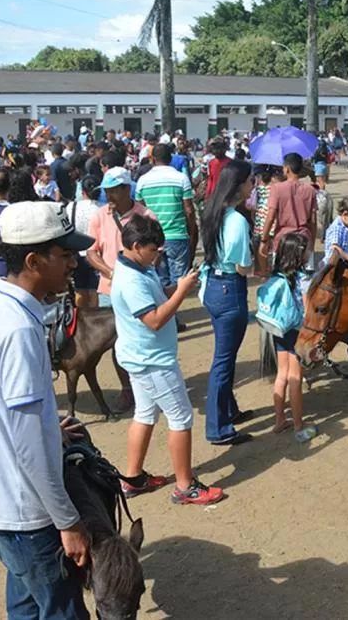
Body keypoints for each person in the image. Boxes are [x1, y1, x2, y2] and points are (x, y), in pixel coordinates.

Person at [0, 201, 93, 619]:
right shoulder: (19, 329)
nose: (73, 263)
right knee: (62, 612)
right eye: (65, 254)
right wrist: (68, 521)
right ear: (34, 261)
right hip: (27, 511)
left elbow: (12, 414)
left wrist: (51, 429)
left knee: (26, 607)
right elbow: (30, 445)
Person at [109, 215, 223, 504]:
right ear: (136, 246)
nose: (158, 253)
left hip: (140, 356)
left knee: (145, 414)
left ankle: (132, 479)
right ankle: (185, 486)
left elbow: (158, 298)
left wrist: (182, 284)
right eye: (153, 249)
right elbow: (155, 320)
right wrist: (183, 292)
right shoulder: (131, 279)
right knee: (181, 417)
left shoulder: (138, 267)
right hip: (152, 360)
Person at [87, 167, 155, 409]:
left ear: (127, 189)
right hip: (108, 289)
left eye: (113, 190)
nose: (108, 196)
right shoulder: (98, 216)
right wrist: (110, 272)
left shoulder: (145, 216)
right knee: (118, 342)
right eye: (105, 191)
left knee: (142, 336)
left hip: (139, 288)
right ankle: (127, 387)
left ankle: (145, 384)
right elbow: (91, 251)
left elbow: (155, 253)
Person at [200, 161, 256, 446]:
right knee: (223, 361)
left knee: (227, 355)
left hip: (212, 285)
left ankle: (228, 410)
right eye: (250, 181)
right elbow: (242, 265)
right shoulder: (236, 220)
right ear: (240, 185)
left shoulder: (213, 210)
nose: (253, 185)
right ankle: (217, 427)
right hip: (230, 288)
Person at [135, 143, 199, 318]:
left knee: (160, 280)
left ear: (152, 159)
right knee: (179, 281)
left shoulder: (143, 181)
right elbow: (189, 210)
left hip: (153, 239)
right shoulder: (181, 179)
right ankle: (173, 317)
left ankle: (166, 316)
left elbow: (140, 210)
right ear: (170, 159)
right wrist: (192, 230)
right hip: (177, 235)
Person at [268, 233, 319, 443]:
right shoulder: (303, 279)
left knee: (282, 374)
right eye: (306, 250)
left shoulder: (277, 274)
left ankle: (279, 420)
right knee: (296, 378)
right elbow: (308, 312)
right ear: (300, 254)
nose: (309, 253)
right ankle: (299, 424)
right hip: (297, 332)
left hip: (280, 329)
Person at [258, 153, 317, 292]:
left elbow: (270, 217)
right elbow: (313, 221)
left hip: (283, 240)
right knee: (304, 282)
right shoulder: (310, 190)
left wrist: (264, 240)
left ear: (287, 169)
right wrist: (312, 243)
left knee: (281, 278)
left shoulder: (277, 188)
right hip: (303, 238)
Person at [65, 175, 103, 308]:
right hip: (96, 254)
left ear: (82, 191)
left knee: (79, 289)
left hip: (77, 253)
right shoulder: (102, 209)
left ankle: (80, 317)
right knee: (94, 290)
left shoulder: (72, 207)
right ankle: (94, 318)